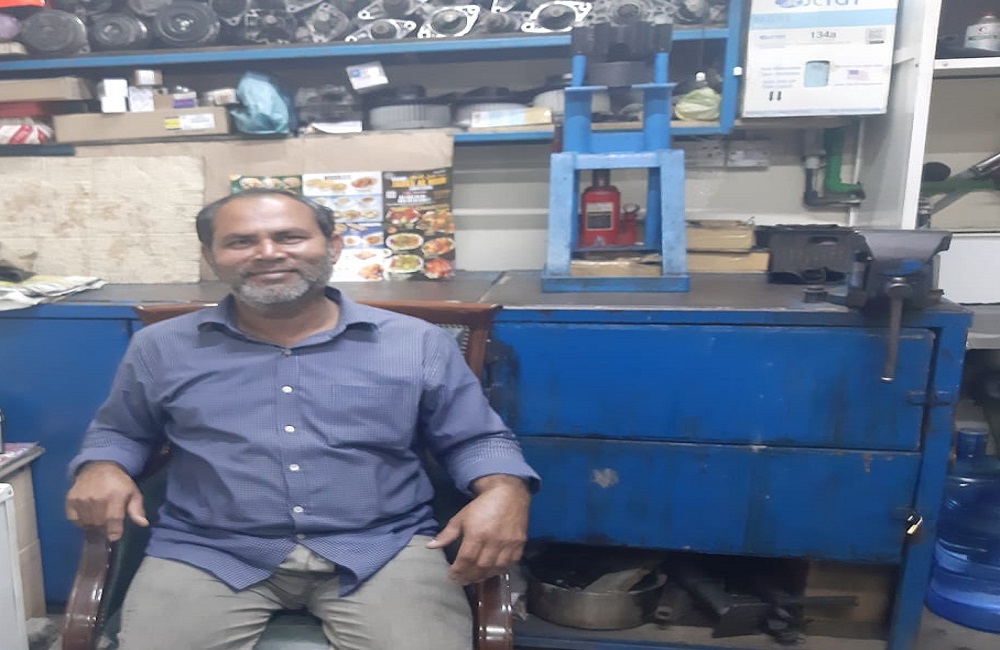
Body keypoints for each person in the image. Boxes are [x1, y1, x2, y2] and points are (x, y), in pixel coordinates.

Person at [66, 189, 539, 650]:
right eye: (241, 241)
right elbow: (122, 430)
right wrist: (101, 466)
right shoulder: (161, 347)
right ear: (211, 257)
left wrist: (505, 490)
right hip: (210, 549)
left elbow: (475, 437)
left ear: (333, 246)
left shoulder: (415, 342)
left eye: (289, 237)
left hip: (382, 547)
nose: (268, 253)